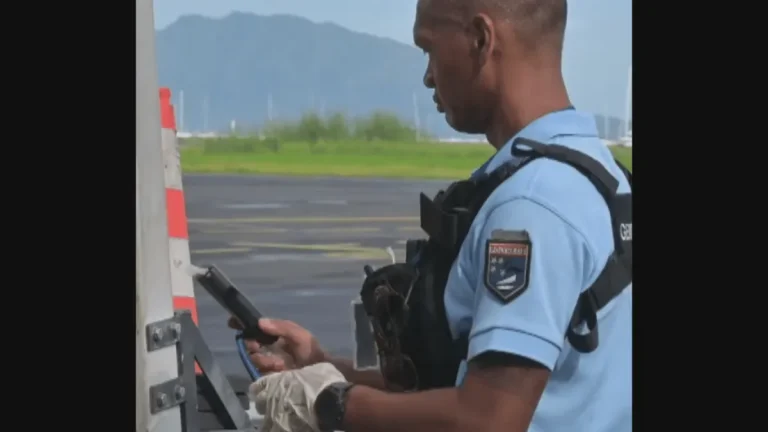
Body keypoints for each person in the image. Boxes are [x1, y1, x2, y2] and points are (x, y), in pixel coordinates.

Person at [233, 0, 632, 431]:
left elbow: (487, 419)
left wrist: (333, 404)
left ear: (481, 39)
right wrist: (327, 369)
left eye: (429, 49)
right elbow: (500, 389)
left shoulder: (531, 205)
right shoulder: (605, 177)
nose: (427, 76)